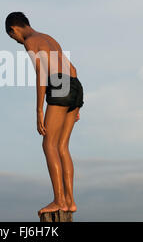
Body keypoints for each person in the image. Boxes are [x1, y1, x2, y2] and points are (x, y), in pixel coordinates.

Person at [5, 11, 84, 216]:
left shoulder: (31, 41)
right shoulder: (49, 38)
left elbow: (41, 74)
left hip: (58, 84)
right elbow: (73, 68)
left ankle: (58, 200)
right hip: (74, 84)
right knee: (62, 146)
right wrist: (77, 104)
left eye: (12, 37)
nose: (16, 41)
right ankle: (69, 201)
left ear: (14, 29)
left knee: (48, 144)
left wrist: (39, 109)